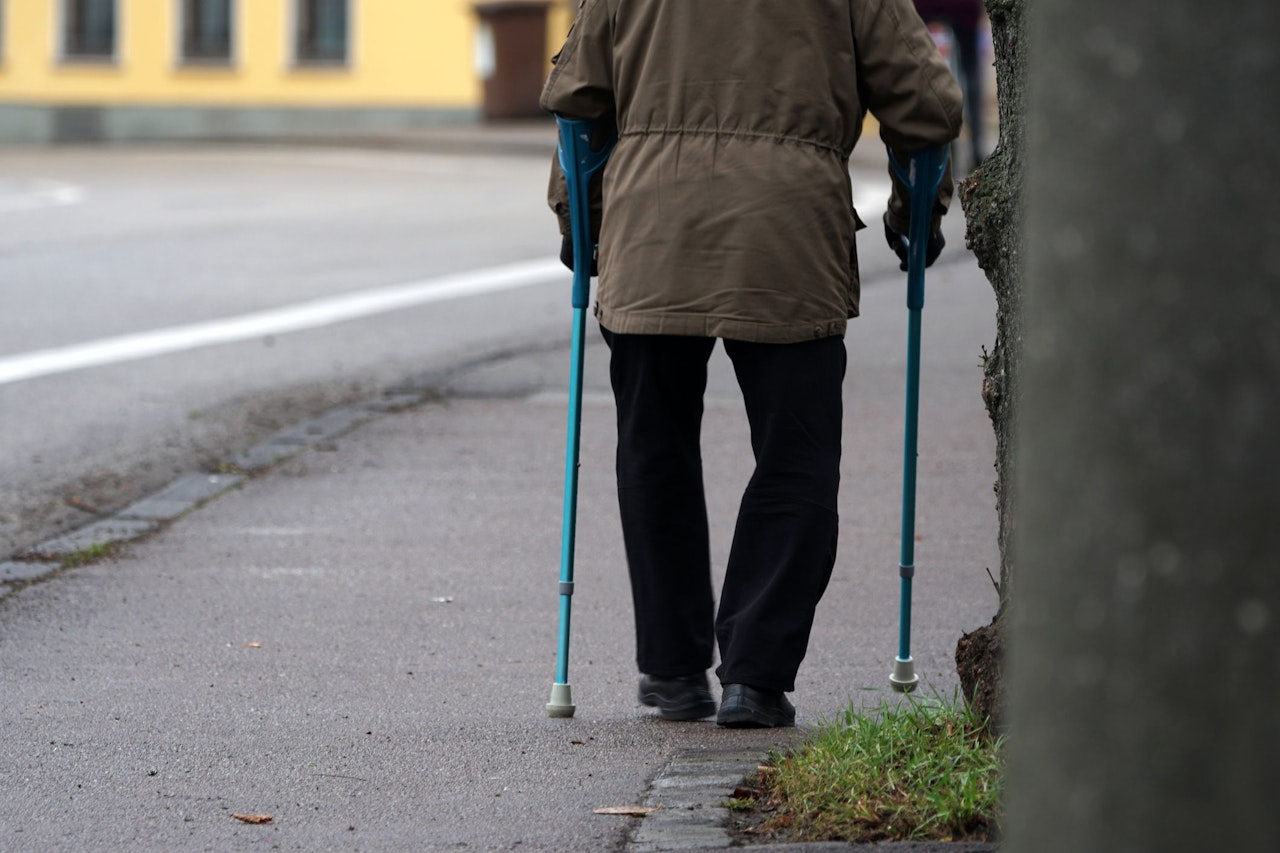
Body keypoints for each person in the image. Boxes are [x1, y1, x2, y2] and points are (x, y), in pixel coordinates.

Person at [540, 0, 962, 728]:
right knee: (797, 454)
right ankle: (755, 678)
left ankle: (673, 671)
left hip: (652, 231)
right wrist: (916, 212)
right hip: (788, 236)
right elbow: (924, 104)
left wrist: (579, 217)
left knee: (654, 448)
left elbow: (580, 103)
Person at [913, 0, 988, 168]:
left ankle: (942, 151)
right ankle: (976, 149)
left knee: (924, 72)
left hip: (926, 7)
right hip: (963, 7)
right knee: (970, 74)